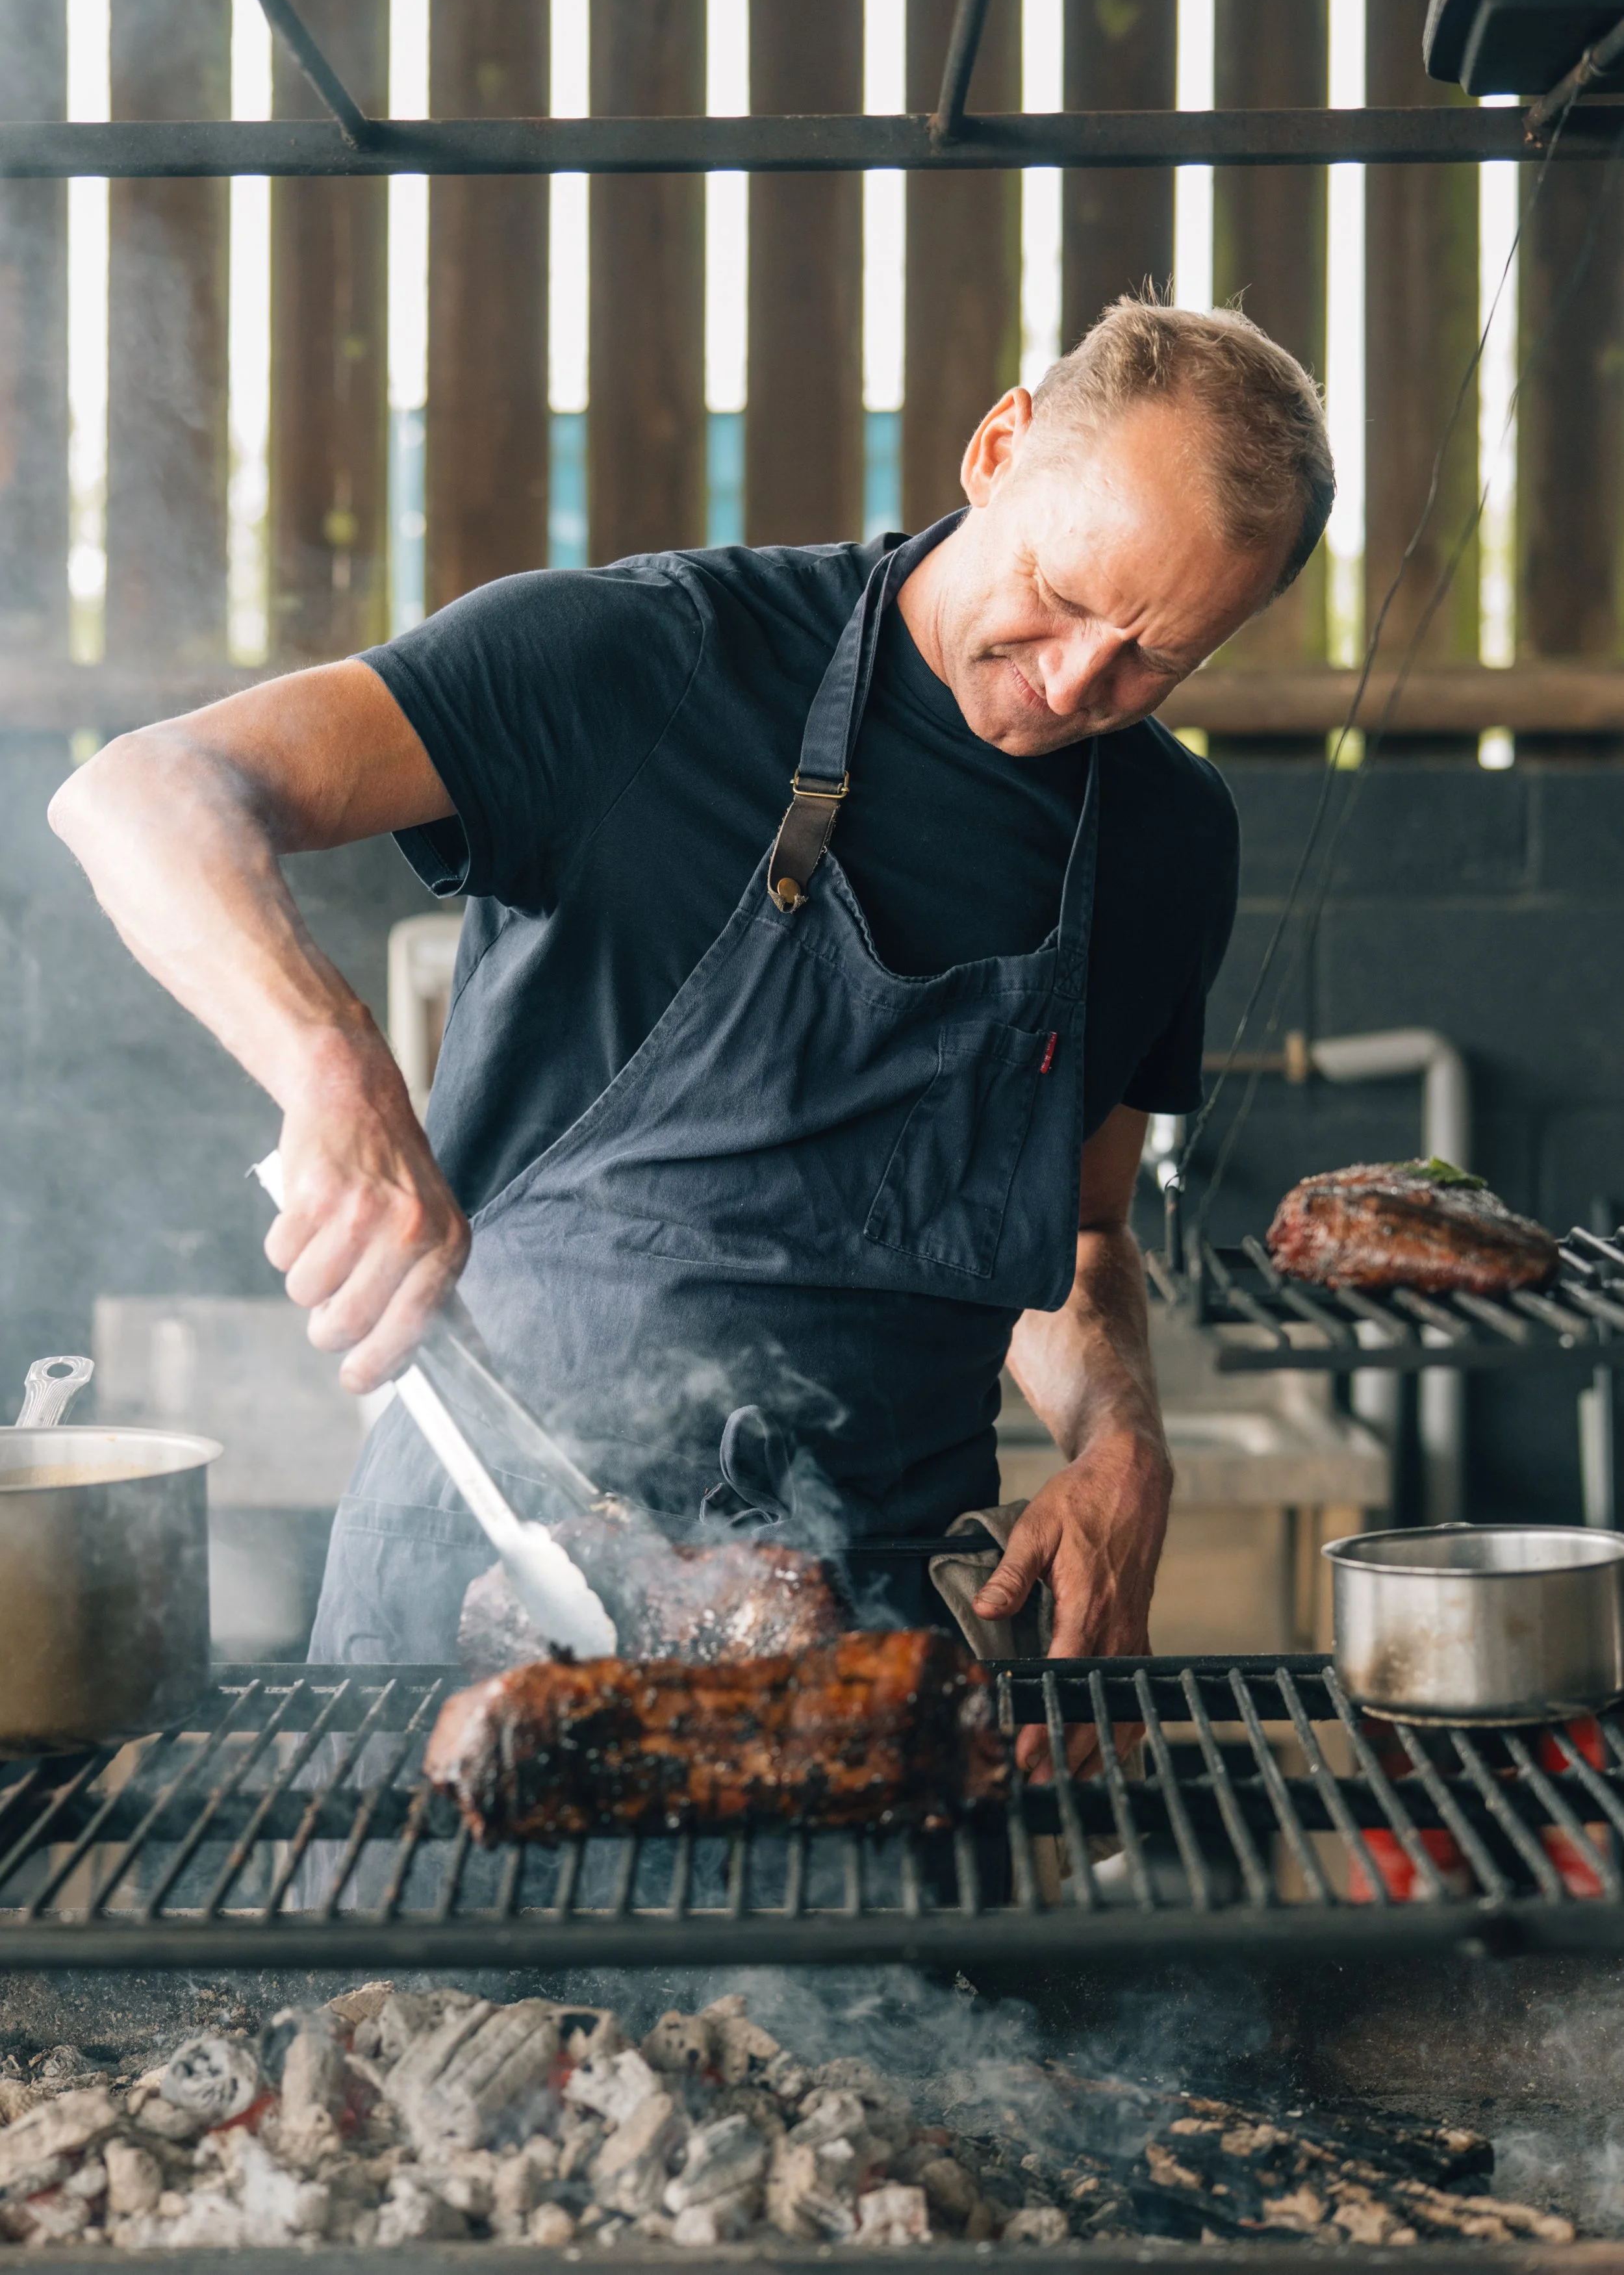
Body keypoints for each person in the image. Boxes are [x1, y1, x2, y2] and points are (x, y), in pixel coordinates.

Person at [49, 296, 1334, 1759]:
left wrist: (1119, 1441)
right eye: (1057, 594)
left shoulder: (1168, 840)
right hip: (485, 1597)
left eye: (1150, 660)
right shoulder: (651, 660)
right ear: (997, 449)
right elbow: (144, 796)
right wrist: (329, 1063)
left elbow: (1080, 1240)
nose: (1068, 684)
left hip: (862, 1650)